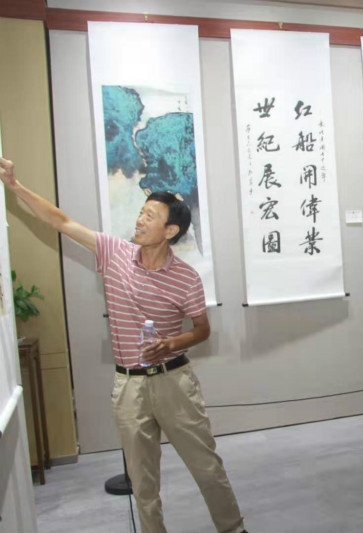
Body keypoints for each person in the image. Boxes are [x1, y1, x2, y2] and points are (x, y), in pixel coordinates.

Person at [0, 158, 247, 533]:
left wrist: (171, 342)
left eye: (151, 216)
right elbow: (60, 221)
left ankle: (234, 528)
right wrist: (15, 186)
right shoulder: (114, 253)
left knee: (207, 467)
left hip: (175, 382)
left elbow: (202, 330)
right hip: (129, 386)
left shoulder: (186, 278)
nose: (140, 220)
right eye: (141, 213)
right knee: (142, 482)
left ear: (170, 230)